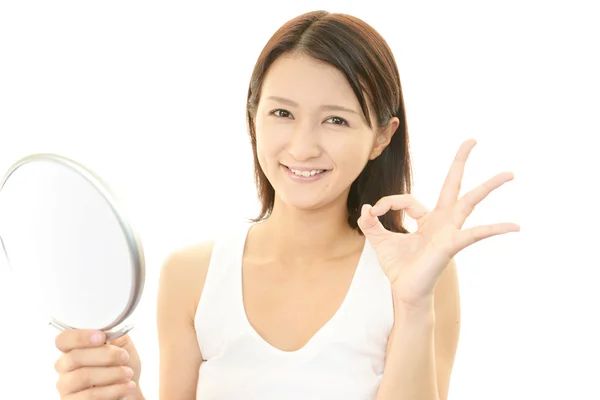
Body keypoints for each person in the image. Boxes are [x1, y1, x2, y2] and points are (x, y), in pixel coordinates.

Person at [52, 10, 519, 400]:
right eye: (282, 113)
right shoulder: (191, 275)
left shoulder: (417, 275)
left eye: (336, 120)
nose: (302, 147)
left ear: (381, 136)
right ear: (253, 115)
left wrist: (413, 304)